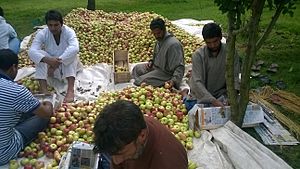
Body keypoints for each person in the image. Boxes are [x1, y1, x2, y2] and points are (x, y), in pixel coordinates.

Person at [93, 100, 188, 169]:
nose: (116, 161)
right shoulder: (132, 127)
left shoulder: (168, 163)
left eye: (121, 153)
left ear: (142, 135)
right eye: (111, 154)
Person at [0, 49, 53, 165]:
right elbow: (46, 113)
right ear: (13, 67)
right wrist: (49, 100)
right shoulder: (16, 91)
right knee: (43, 116)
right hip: (3, 152)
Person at [28, 9, 81, 103]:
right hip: (51, 69)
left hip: (66, 65)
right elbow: (32, 50)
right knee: (40, 55)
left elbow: (75, 48)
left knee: (73, 55)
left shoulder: (69, 32)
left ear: (61, 24)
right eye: (50, 25)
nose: (53, 28)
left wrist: (57, 62)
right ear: (47, 25)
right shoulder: (43, 33)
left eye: (56, 25)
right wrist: (48, 61)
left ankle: (70, 90)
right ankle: (44, 90)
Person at [186, 22, 240, 109]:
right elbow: (197, 82)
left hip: (221, 93)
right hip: (201, 95)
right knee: (190, 107)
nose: (213, 45)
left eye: (215, 41)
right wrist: (213, 100)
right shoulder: (198, 55)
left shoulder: (230, 53)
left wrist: (232, 95)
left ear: (220, 37)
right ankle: (185, 94)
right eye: (209, 43)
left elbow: (235, 76)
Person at [131, 17, 185, 89]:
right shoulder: (159, 40)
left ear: (164, 30)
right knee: (136, 69)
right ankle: (152, 80)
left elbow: (180, 66)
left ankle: (161, 84)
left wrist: (174, 81)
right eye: (154, 34)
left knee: (140, 81)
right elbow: (157, 56)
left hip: (166, 74)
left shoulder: (173, 44)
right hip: (156, 67)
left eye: (158, 33)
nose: (156, 36)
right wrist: (152, 62)